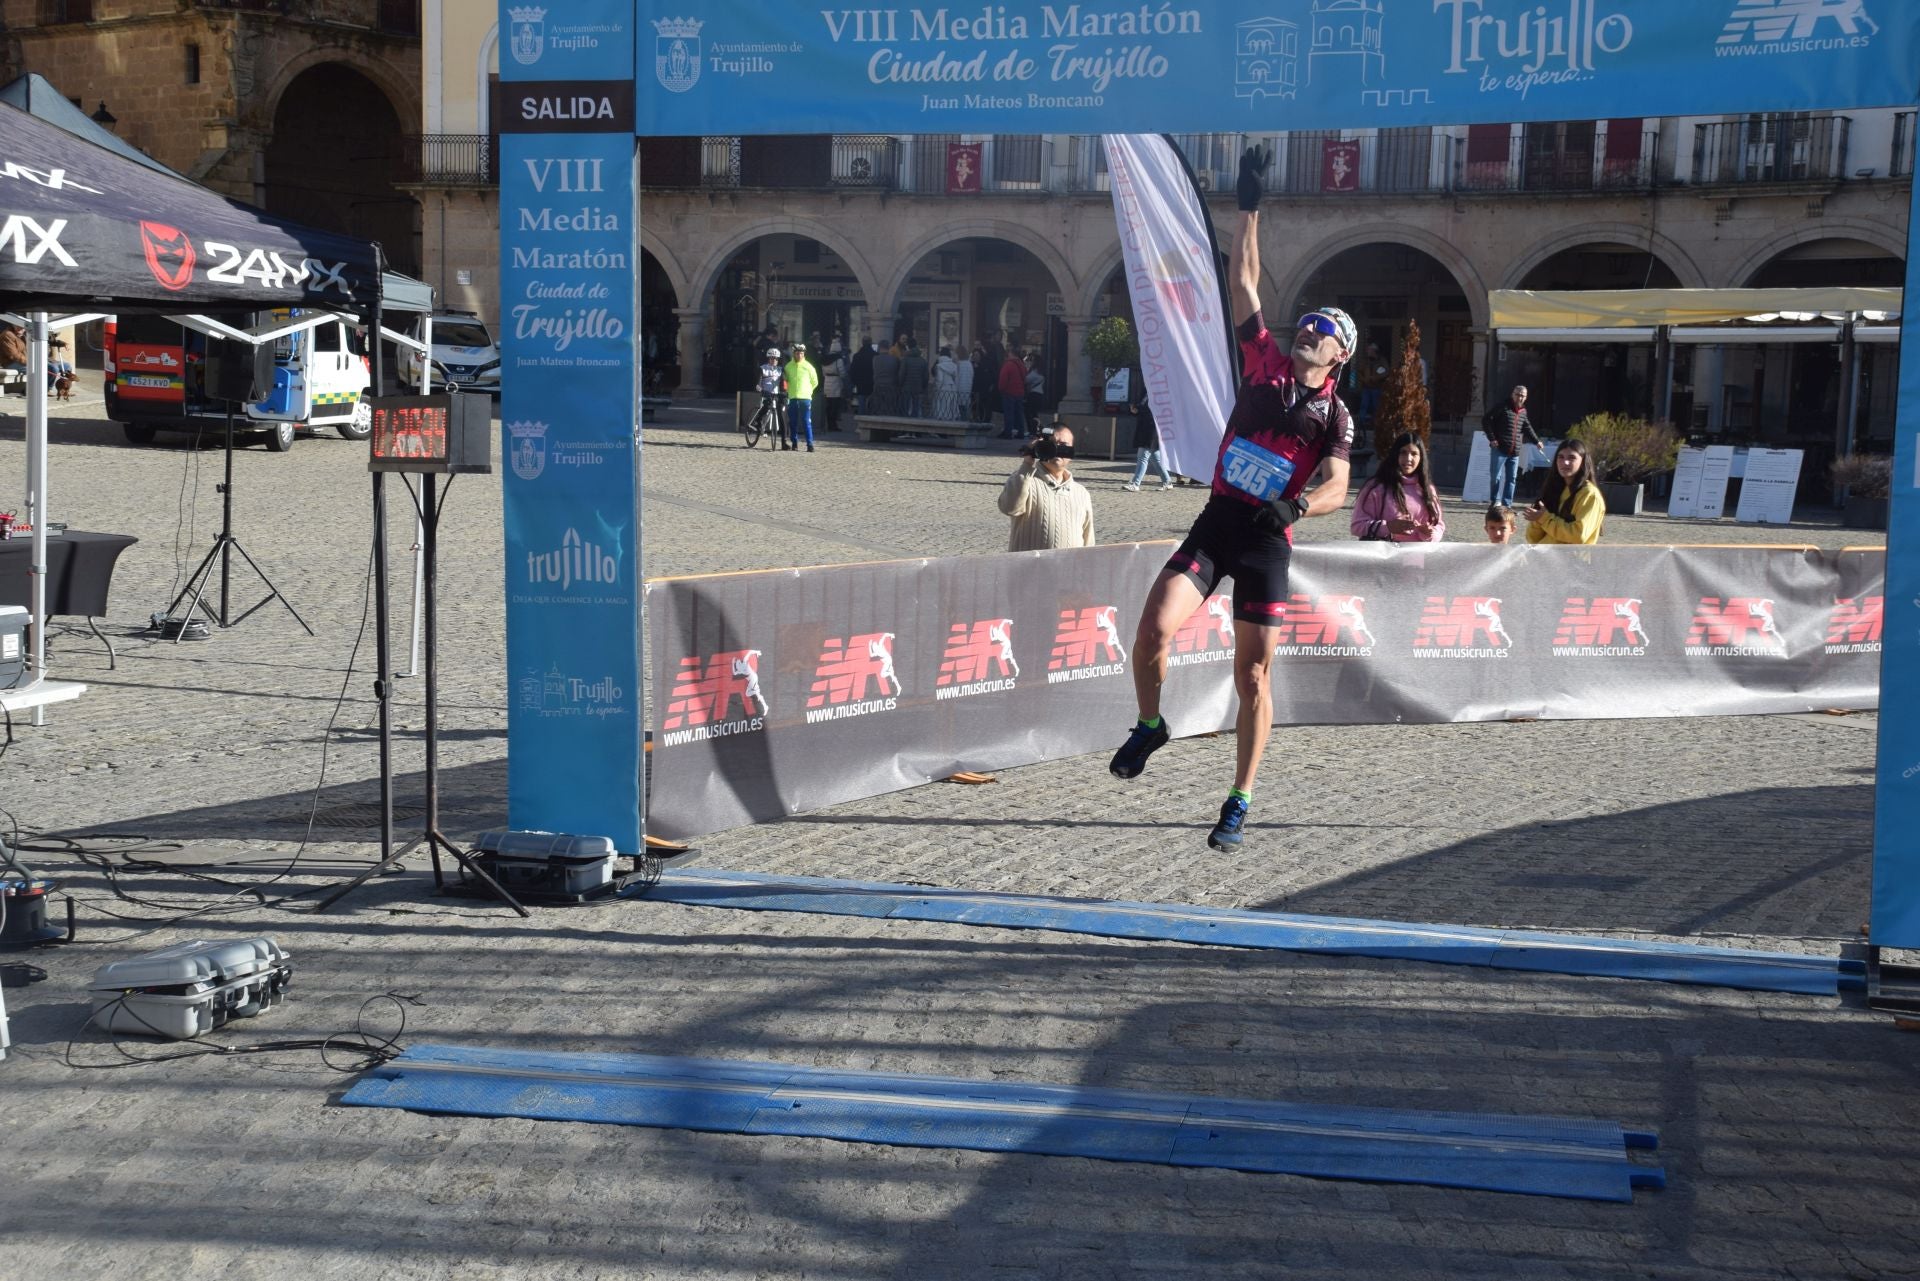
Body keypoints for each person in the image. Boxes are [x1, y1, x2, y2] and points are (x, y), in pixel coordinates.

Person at [1109, 144, 1355, 854]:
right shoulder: (1266, 364)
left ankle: (1240, 796)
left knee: (1252, 675)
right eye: (1307, 323)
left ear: (1339, 356)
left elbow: (1338, 484)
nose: (1308, 332)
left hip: (1268, 538)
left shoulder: (1336, 416)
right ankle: (1151, 724)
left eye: (1324, 333)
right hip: (1218, 520)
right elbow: (1244, 281)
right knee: (1153, 631)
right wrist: (1249, 206)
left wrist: (1298, 506)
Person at [998, 424, 1093, 551]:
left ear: (1071, 450)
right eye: (1052, 444)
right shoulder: (1025, 480)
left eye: (1063, 445)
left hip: (1069, 569)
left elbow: (1088, 539)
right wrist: (1028, 462)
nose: (1057, 450)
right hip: (1029, 568)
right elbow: (1009, 508)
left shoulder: (1081, 492)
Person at [1351, 431, 1445, 542]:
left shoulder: (1428, 490)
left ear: (1421, 458)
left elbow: (1439, 525)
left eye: (1414, 454)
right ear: (1395, 455)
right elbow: (1357, 526)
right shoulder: (1376, 488)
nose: (1408, 458)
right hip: (1384, 557)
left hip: (1416, 557)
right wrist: (1388, 527)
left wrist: (1430, 533)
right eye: (1403, 453)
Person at [1525, 439, 1605, 545]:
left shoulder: (1590, 495)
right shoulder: (1553, 489)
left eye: (1572, 458)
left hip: (1572, 559)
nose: (1565, 462)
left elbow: (1578, 535)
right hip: (1546, 557)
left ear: (1583, 462)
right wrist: (1537, 521)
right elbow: (1532, 539)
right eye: (1561, 457)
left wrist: (1545, 519)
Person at [1482, 384, 1542, 508]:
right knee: (1495, 477)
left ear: (1525, 398)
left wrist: (1537, 441)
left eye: (1522, 396)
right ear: (1512, 394)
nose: (1519, 398)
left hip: (1514, 451)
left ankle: (1507, 504)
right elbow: (1486, 420)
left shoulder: (1523, 411)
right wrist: (1492, 438)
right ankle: (1495, 501)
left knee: (1512, 479)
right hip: (1499, 448)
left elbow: (1527, 427)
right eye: (1517, 394)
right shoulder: (1502, 407)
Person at [1124, 366, 1171, 491]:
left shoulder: (1158, 392)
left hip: (1151, 429)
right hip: (1146, 428)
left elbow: (1151, 409)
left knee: (1143, 457)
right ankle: (1167, 481)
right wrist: (1135, 409)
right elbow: (1142, 406)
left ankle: (1135, 483)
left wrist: (1138, 409)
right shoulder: (1147, 391)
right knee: (1155, 457)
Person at [783, 341, 819, 452]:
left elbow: (815, 382)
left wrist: (809, 392)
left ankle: (810, 444)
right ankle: (794, 443)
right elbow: (785, 381)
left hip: (805, 398)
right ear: (794, 354)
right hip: (792, 397)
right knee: (793, 422)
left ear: (804, 354)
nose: (799, 355)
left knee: (806, 421)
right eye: (797, 353)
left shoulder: (809, 367)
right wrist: (787, 391)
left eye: (801, 353)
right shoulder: (788, 366)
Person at [751, 347, 786, 448]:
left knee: (781, 416)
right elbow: (757, 384)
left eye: (775, 358)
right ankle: (758, 420)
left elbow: (783, 384)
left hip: (776, 394)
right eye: (771, 358)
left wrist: (784, 392)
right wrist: (762, 390)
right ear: (768, 358)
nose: (773, 360)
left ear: (778, 359)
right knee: (766, 406)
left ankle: (783, 442)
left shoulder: (780, 370)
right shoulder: (763, 368)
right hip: (765, 393)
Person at [997, 348, 1028, 439]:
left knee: (1009, 413)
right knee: (1019, 413)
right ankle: (1021, 432)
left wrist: (1001, 389)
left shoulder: (1008, 365)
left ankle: (1008, 432)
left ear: (1010, 353)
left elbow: (1003, 379)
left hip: (1009, 392)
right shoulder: (1022, 365)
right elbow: (1025, 377)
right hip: (1020, 392)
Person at [820, 337, 847, 433]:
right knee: (835, 405)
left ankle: (828, 423)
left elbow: (823, 372)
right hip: (836, 382)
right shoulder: (838, 360)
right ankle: (833, 424)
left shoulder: (825, 359)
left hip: (827, 381)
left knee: (829, 404)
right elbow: (842, 372)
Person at [1357, 342, 1388, 426]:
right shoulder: (1365, 361)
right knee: (1364, 405)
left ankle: (1376, 423)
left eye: (1369, 350)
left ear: (1374, 351)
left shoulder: (1381, 361)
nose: (1367, 351)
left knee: (1376, 406)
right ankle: (1361, 423)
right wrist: (1363, 379)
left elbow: (1386, 372)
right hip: (1366, 387)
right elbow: (1359, 372)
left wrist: (1376, 378)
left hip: (1377, 388)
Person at [900, 342, 929, 418]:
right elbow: (926, 376)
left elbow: (902, 374)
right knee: (916, 407)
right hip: (918, 387)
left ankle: (904, 423)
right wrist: (924, 387)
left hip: (906, 387)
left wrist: (900, 384)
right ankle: (915, 421)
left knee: (905, 407)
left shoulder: (905, 360)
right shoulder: (923, 361)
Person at [871, 342, 900, 415]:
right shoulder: (894, 359)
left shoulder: (875, 359)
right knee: (890, 407)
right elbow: (897, 372)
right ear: (889, 348)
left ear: (880, 348)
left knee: (878, 407)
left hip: (878, 385)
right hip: (891, 385)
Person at [849, 340, 876, 414]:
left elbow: (853, 370)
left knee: (861, 401)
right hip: (871, 382)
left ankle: (861, 420)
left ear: (862, 343)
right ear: (871, 344)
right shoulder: (875, 355)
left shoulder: (857, 355)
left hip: (860, 383)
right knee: (871, 402)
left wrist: (854, 381)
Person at [933, 345, 959, 420]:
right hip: (952, 387)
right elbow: (956, 378)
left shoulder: (939, 366)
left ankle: (942, 421)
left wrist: (937, 388)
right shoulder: (954, 365)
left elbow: (940, 379)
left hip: (943, 387)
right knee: (950, 406)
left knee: (942, 407)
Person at [0, 322, 26, 393]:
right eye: (20, 327)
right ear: (14, 326)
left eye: (23, 328)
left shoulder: (22, 336)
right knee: (32, 369)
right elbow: (13, 355)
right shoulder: (7, 335)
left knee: (52, 367)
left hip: (22, 361)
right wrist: (28, 361)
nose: (22, 330)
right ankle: (31, 390)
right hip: (9, 363)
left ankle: (48, 388)